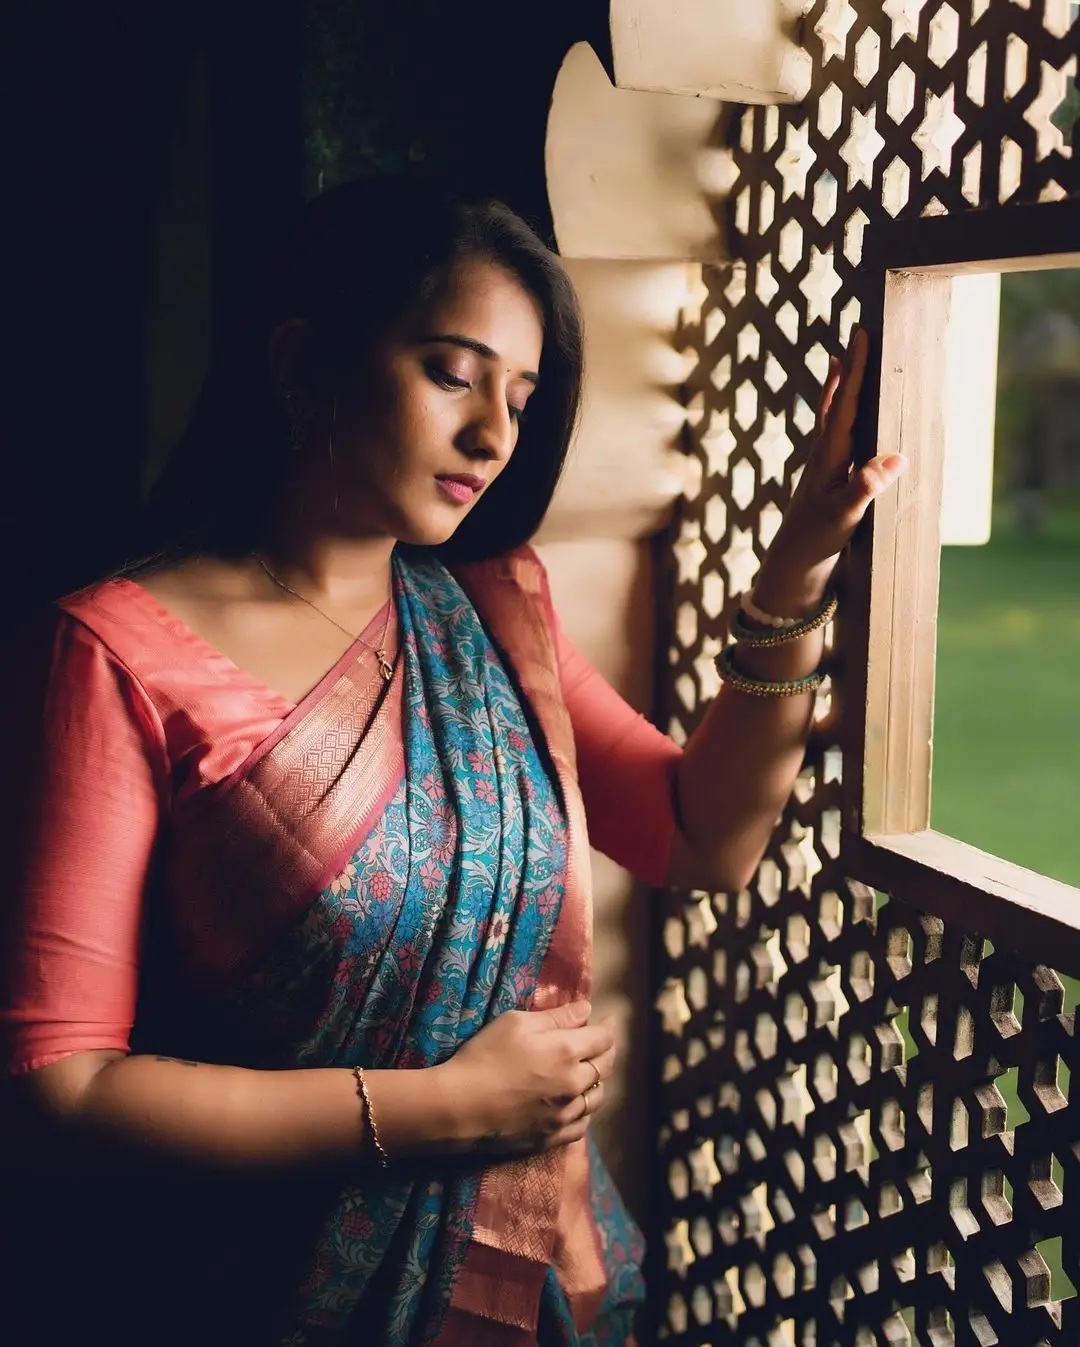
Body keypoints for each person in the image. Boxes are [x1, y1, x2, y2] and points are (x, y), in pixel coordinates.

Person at [0, 178, 905, 1347]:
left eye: (522, 399)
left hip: (532, 1280)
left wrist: (800, 563)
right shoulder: (115, 653)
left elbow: (702, 833)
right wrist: (439, 1111)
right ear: (302, 362)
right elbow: (55, 1090)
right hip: (246, 1292)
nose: (494, 435)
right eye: (450, 371)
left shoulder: (487, 612)